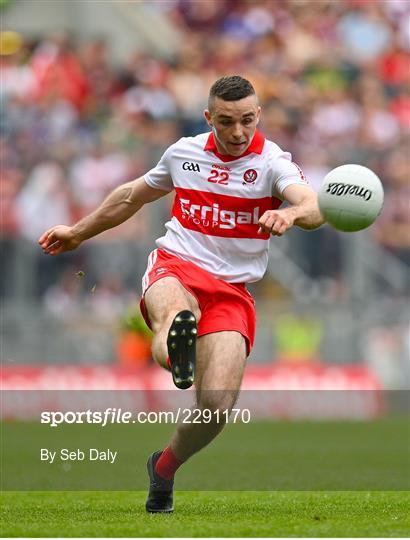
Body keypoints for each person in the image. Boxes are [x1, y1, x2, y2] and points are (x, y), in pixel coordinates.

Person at [39, 76, 325, 512]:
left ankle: (164, 467)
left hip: (230, 291)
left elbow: (312, 204)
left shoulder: (272, 163)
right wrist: (77, 232)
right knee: (176, 313)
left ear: (258, 115)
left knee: (215, 407)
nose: (238, 132)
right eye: (226, 121)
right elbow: (132, 195)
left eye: (247, 120)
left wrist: (291, 214)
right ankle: (177, 345)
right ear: (208, 118)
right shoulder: (183, 154)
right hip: (176, 266)